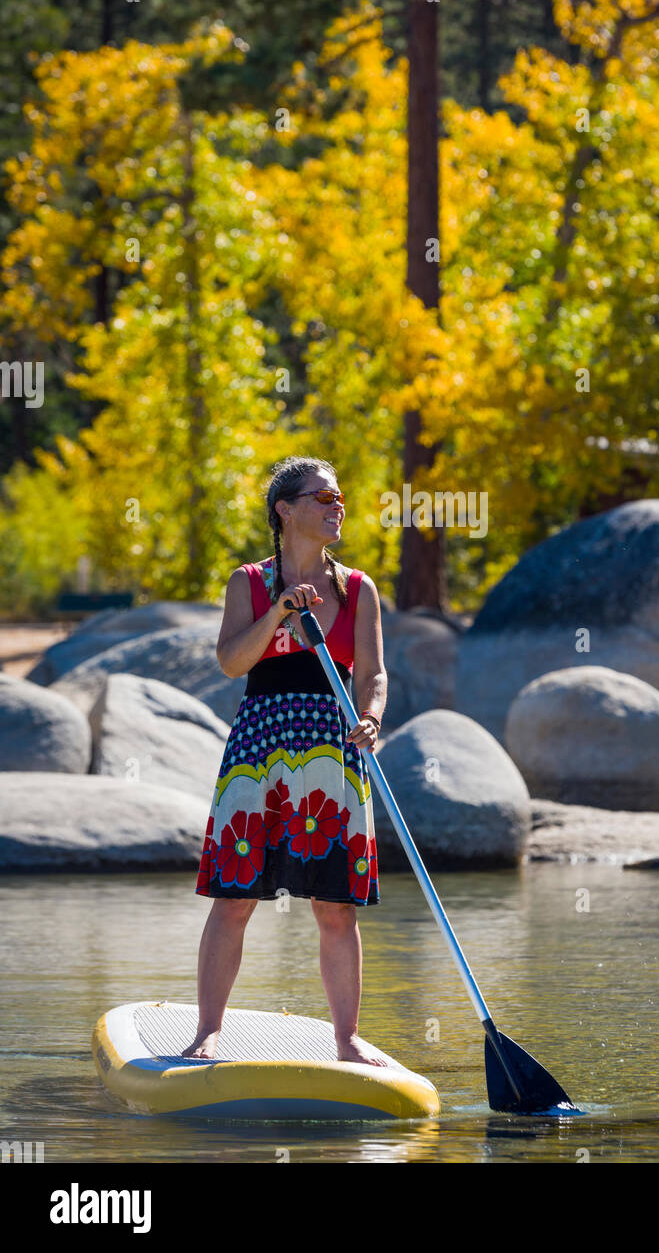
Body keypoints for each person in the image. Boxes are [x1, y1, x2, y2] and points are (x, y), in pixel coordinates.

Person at [183, 456, 388, 1066]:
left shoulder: (358, 588)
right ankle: (208, 1032)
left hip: (334, 748)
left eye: (339, 496)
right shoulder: (247, 582)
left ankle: (346, 1040)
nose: (336, 506)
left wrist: (372, 716)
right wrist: (278, 613)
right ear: (286, 509)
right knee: (235, 897)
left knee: (336, 905)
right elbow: (232, 661)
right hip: (260, 749)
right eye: (323, 497)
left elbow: (373, 674)